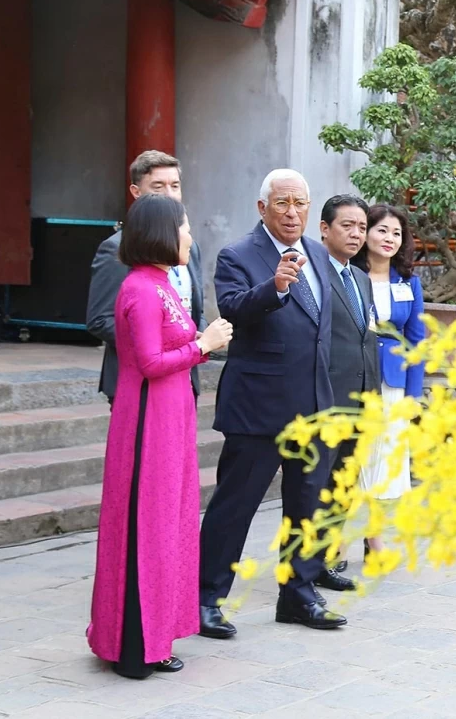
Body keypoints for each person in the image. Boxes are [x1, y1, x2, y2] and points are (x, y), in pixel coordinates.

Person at [87, 195, 234, 679]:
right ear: (161, 233)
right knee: (147, 526)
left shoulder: (160, 283)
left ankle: (156, 634)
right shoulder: (141, 288)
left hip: (170, 419)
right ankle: (136, 644)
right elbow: (150, 363)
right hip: (148, 422)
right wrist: (203, 344)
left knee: (168, 523)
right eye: (184, 227)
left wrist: (199, 344)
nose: (190, 236)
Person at [198, 169, 347, 635]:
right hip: (258, 406)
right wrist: (276, 287)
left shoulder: (318, 254)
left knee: (305, 506)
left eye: (300, 203)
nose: (292, 212)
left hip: (313, 404)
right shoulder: (238, 254)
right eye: (282, 203)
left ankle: (297, 595)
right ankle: (205, 599)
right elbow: (232, 309)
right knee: (235, 507)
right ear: (262, 208)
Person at [87, 151, 207, 405]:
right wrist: (163, 343)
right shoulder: (118, 249)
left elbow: (195, 309)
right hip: (138, 383)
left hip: (185, 375)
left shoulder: (189, 246)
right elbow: (100, 319)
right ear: (136, 192)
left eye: (175, 186)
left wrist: (200, 335)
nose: (169, 195)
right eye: (158, 187)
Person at [311, 194, 379, 585]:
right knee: (316, 485)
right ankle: (306, 563)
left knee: (344, 485)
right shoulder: (311, 273)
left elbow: (366, 339)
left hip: (359, 401)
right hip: (325, 400)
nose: (356, 234)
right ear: (325, 229)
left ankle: (324, 559)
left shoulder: (361, 278)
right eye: (347, 226)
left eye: (361, 227)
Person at [352, 204, 426, 553]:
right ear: (365, 233)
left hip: (392, 381)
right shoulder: (349, 274)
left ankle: (374, 536)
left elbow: (416, 340)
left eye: (396, 233)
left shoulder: (409, 282)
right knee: (355, 458)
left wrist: (413, 394)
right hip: (354, 377)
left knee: (384, 461)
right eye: (382, 230)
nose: (389, 238)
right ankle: (339, 540)